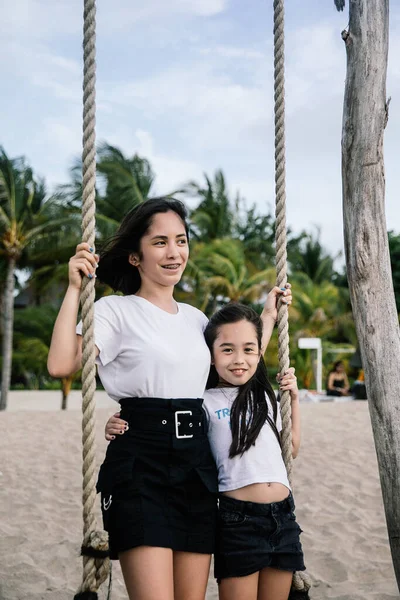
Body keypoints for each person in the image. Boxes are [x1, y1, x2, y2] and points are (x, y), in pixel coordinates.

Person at [47, 197, 292, 600]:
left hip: (196, 467)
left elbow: (238, 363)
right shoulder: (114, 312)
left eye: (180, 240)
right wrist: (75, 289)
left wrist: (266, 317)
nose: (174, 252)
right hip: (141, 464)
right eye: (160, 242)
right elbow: (61, 364)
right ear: (134, 256)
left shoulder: (197, 320)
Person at [107, 302, 304, 600]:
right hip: (238, 520)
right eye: (226, 351)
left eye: (249, 351)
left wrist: (294, 401)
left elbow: (290, 448)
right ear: (209, 357)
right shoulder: (204, 402)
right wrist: (124, 423)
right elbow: (168, 412)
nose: (239, 359)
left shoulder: (264, 397)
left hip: (284, 517)